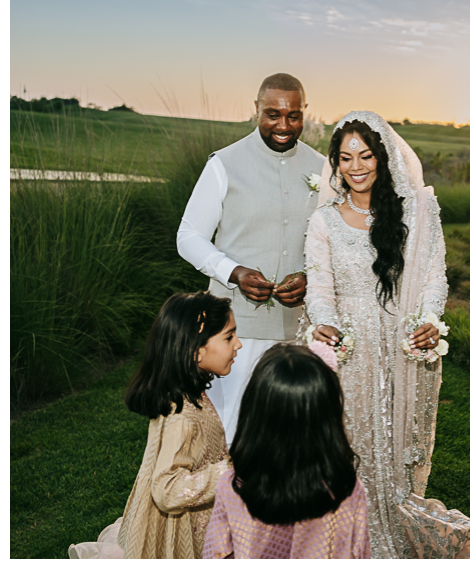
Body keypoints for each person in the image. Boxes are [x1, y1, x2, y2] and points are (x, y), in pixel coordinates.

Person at [304, 112, 470, 558]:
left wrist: (427, 320)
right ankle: (343, 534)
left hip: (398, 346)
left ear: (383, 158)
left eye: (365, 155)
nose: (355, 166)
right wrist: (327, 325)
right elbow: (319, 288)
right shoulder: (323, 221)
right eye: (345, 157)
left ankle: (388, 519)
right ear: (335, 163)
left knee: (392, 442)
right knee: (345, 443)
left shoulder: (415, 215)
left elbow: (434, 277)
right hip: (347, 351)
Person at [177, 73, 325, 443]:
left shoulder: (325, 169)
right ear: (256, 109)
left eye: (293, 116)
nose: (283, 125)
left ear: (304, 113)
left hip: (300, 330)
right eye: (272, 114)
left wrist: (311, 276)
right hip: (233, 332)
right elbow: (188, 236)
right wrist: (234, 272)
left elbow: (332, 243)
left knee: (290, 436)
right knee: (231, 433)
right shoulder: (223, 164)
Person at [68, 292, 239, 559]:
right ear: (195, 350)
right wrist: (229, 470)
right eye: (229, 337)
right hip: (178, 533)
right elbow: (167, 489)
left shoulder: (191, 395)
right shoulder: (181, 416)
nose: (238, 344)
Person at [202, 343, 371, 558]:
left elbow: (216, 554)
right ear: (328, 417)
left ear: (255, 412)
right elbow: (360, 554)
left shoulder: (233, 487)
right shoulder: (346, 489)